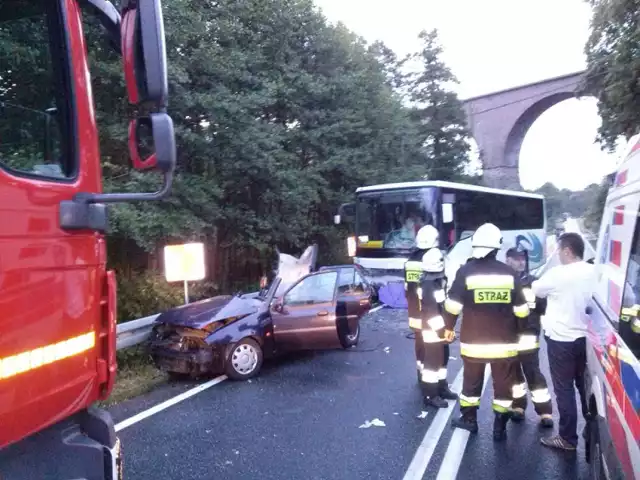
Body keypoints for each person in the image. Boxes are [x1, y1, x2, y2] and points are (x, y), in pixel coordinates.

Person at [443, 223, 530, 441]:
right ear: (496, 247)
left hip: (474, 343)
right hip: (505, 344)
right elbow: (522, 310)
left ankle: (469, 420)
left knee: (471, 384)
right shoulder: (509, 273)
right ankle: (499, 427)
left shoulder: (465, 272)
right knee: (503, 385)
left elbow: (453, 306)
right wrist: (519, 332)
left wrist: (447, 328)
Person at [532, 232, 596, 451]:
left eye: (559, 250)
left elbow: (536, 289)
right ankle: (592, 427)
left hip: (562, 340)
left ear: (567, 251)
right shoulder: (595, 271)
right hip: (588, 340)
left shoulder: (558, 274)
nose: (557, 254)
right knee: (586, 387)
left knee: (564, 389)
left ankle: (567, 438)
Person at [405, 225, 457, 408]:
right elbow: (433, 304)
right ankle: (430, 391)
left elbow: (410, 291)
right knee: (432, 359)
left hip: (418, 316)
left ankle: (438, 386)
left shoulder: (410, 262)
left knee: (433, 356)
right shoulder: (432, 272)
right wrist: (444, 327)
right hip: (430, 321)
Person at [504, 247, 554, 428]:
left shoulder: (534, 283)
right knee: (514, 374)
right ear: (507, 259)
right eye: (516, 258)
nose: (521, 262)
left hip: (527, 334)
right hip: (508, 335)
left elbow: (542, 307)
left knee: (533, 372)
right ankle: (518, 407)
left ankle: (545, 412)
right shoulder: (503, 281)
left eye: (523, 259)